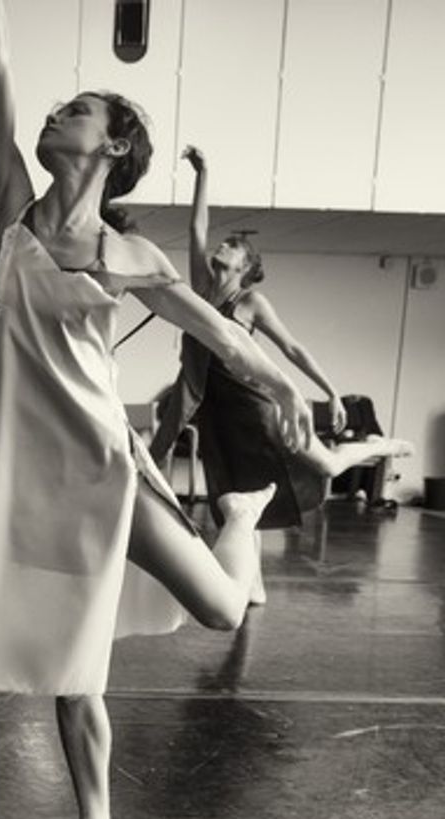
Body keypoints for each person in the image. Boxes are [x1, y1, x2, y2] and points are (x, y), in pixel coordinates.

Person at [0, 0, 318, 819]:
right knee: (75, 667)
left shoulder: (131, 256)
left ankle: (243, 513)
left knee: (222, 611)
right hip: (22, 475)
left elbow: (221, 338)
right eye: (61, 107)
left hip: (104, 467)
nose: (59, 115)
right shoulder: (8, 210)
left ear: (112, 146)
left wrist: (287, 380)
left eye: (80, 110)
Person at [149, 145, 414, 602]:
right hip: (216, 412)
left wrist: (329, 391)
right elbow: (196, 228)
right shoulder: (200, 289)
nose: (221, 247)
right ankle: (252, 585)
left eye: (232, 247)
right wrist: (203, 174)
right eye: (223, 243)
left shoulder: (251, 304)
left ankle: (380, 446)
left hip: (258, 409)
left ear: (246, 268)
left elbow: (292, 348)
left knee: (327, 464)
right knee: (235, 497)